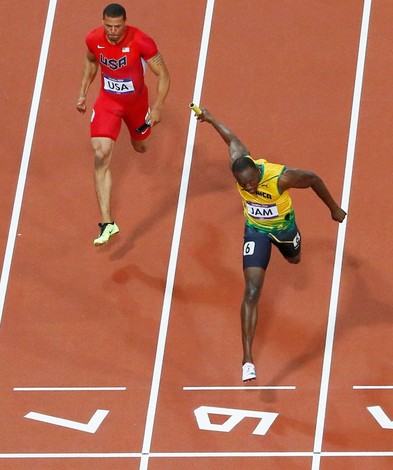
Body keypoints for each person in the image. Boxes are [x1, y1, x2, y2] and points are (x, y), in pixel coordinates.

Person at [197, 107, 347, 382]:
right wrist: (209, 118)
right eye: (245, 185)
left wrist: (334, 209)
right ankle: (247, 359)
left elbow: (313, 178)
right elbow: (230, 139)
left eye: (252, 183)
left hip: (285, 229)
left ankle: (290, 250)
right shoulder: (240, 164)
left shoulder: (281, 178)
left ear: (257, 171)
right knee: (252, 290)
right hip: (255, 231)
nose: (250, 188)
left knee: (295, 259)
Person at [76, 3, 170, 246]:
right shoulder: (93, 38)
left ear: (125, 23)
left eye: (117, 26)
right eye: (108, 26)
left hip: (137, 105)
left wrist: (157, 106)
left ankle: (136, 135)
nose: (113, 31)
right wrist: (83, 93)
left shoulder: (142, 41)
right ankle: (108, 222)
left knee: (141, 147)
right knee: (100, 152)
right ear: (103, 22)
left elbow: (163, 74)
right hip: (108, 102)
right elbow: (90, 61)